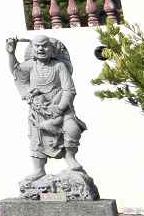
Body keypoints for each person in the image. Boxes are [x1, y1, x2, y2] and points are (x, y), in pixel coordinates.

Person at [7, 34, 86, 180]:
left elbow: (69, 89)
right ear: (33, 49)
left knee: (72, 129)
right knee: (36, 138)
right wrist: (11, 53)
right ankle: (39, 169)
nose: (40, 49)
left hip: (60, 106)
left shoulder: (59, 66)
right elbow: (16, 71)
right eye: (37, 46)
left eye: (44, 46)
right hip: (39, 109)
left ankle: (70, 158)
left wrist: (60, 108)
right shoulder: (31, 65)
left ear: (52, 49)